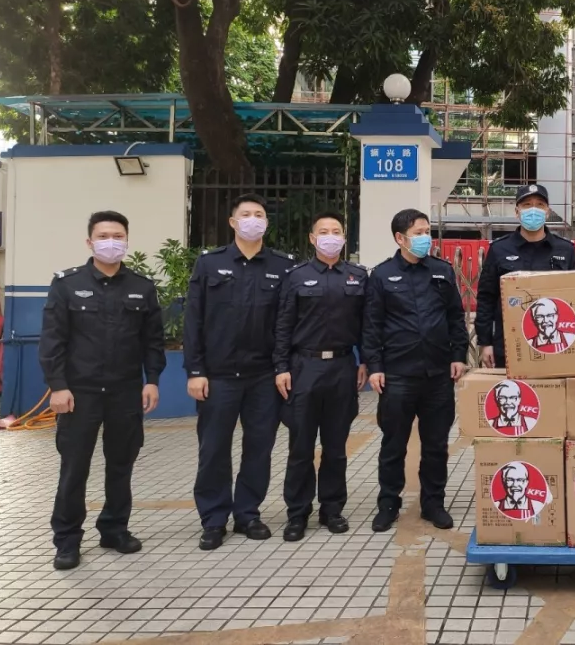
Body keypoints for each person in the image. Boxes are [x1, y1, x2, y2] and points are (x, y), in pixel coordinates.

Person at [39, 211, 165, 570]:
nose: (111, 242)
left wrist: (152, 380)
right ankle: (67, 540)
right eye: (104, 236)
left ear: (127, 241)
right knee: (74, 468)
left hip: (126, 391)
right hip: (80, 393)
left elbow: (152, 341)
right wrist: (58, 386)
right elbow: (53, 341)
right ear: (89, 242)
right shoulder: (67, 284)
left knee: (121, 465)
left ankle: (114, 529)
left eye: (118, 236)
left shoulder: (142, 287)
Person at [184, 194, 295, 550]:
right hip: (218, 376)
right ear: (232, 222)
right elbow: (193, 319)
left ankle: (248, 514)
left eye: (259, 214)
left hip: (263, 376)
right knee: (213, 449)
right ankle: (214, 519)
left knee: (259, 448)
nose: (252, 219)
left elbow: (287, 323)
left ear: (266, 223)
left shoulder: (282, 266)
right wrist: (195, 370)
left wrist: (282, 368)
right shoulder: (210, 264)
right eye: (245, 214)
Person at [363, 209, 469, 533]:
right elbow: (372, 326)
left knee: (436, 444)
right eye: (419, 233)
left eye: (427, 231)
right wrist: (375, 367)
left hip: (438, 375)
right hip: (398, 375)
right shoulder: (382, 275)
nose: (426, 238)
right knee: (393, 444)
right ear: (400, 238)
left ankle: (433, 502)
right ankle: (388, 504)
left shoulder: (441, 271)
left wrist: (458, 355)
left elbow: (455, 316)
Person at [273, 211, 367, 542]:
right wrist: (281, 367)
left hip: (342, 367)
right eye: (323, 232)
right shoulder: (296, 276)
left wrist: (366, 361)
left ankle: (332, 508)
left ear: (344, 237)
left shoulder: (357, 276)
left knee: (336, 446)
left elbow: (366, 325)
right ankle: (297, 513)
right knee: (300, 446)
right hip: (304, 367)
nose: (330, 237)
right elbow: (283, 324)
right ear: (312, 239)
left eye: (336, 231)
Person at [475, 184, 575, 368]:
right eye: (527, 205)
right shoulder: (499, 249)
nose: (533, 210)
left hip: (554, 345)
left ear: (547, 212)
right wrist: (485, 342)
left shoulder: (565, 249)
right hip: (509, 345)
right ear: (517, 212)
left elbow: (574, 298)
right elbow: (486, 298)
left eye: (540, 205)